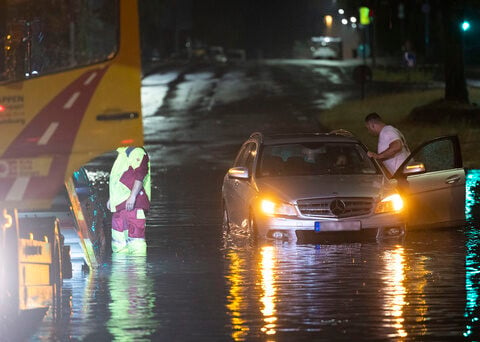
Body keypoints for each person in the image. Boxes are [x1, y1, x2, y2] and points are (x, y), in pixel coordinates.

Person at [107, 146, 151, 256]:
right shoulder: (122, 154)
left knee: (136, 244)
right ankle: (121, 270)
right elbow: (118, 179)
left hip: (132, 205)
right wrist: (112, 199)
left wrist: (132, 196)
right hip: (119, 205)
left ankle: (137, 270)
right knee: (119, 245)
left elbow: (140, 174)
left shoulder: (136, 151)